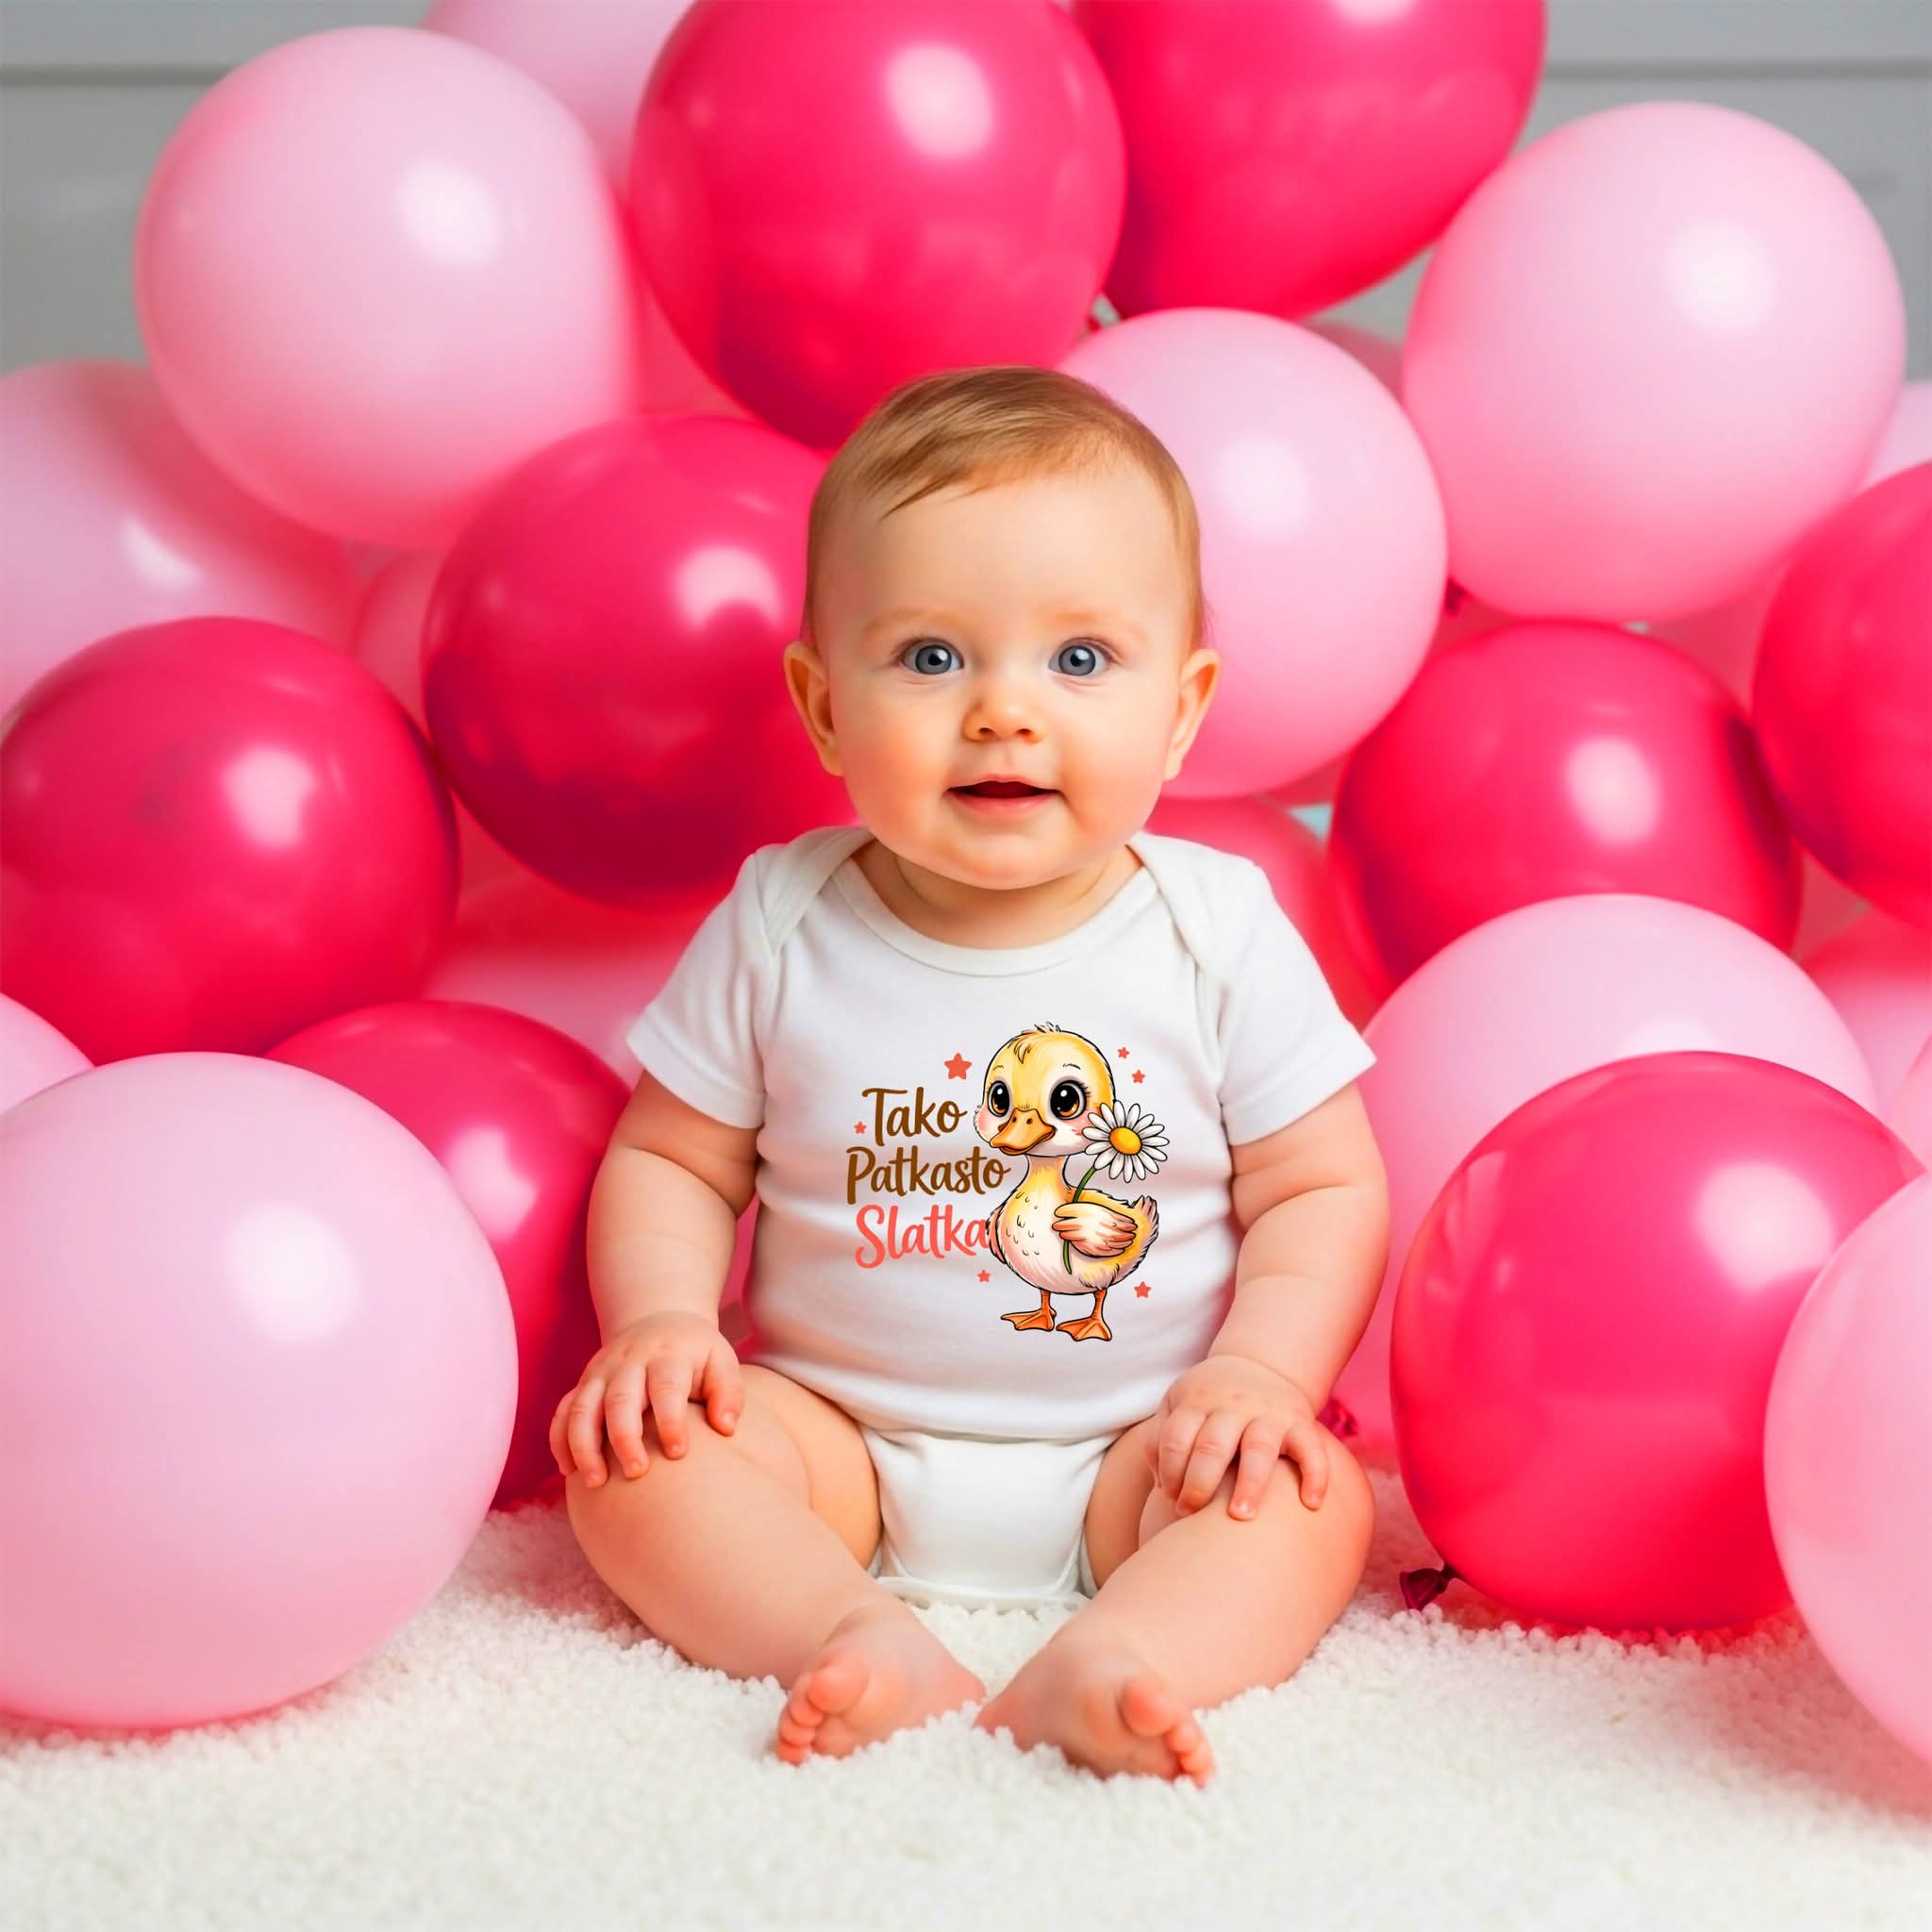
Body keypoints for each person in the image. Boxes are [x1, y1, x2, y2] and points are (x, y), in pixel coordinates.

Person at [553, 365, 1390, 1787]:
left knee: (1311, 1504)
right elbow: (670, 1157)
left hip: (1141, 1449)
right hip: (837, 1444)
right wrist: (663, 1324)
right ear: (824, 705)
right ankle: (844, 1630)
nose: (1005, 711)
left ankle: (1127, 1655)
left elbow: (1321, 1184)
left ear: (1182, 710)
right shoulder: (783, 919)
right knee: (635, 1465)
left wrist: (1257, 1376)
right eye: (933, 657)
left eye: (1081, 660)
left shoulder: (1216, 928)